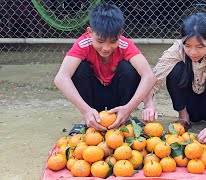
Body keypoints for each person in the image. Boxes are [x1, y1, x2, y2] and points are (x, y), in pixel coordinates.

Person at [54, 3, 156, 132]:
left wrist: (133, 107)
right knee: (79, 69)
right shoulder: (83, 43)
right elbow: (61, 78)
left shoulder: (125, 44)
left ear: (120, 34)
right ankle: (90, 117)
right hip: (93, 97)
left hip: (118, 97)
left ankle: (123, 115)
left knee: (129, 69)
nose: (106, 48)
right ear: (90, 32)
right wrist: (85, 110)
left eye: (113, 41)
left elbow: (149, 76)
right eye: (100, 41)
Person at [142, 13, 206, 145]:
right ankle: (184, 117)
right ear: (182, 40)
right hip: (189, 104)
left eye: (200, 47)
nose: (193, 52)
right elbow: (154, 77)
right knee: (175, 69)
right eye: (188, 46)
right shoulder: (177, 49)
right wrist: (148, 104)